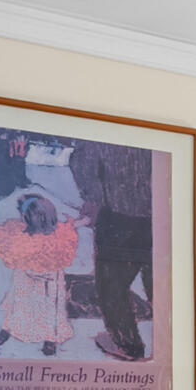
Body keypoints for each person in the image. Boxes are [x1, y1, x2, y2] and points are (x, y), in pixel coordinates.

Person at [71, 139, 154, 362]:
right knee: (160, 284)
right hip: (161, 216)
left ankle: (128, 345)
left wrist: (92, 200)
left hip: (119, 215)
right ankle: (174, 343)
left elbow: (84, 165)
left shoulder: (99, 132)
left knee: (112, 287)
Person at [0, 193, 78, 356]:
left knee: (50, 310)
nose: (20, 217)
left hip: (49, 283)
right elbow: (0, 236)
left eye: (22, 215)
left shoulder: (58, 235)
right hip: (25, 280)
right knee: (18, 305)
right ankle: (7, 330)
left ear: (28, 218)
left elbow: (72, 228)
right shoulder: (18, 233)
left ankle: (50, 339)